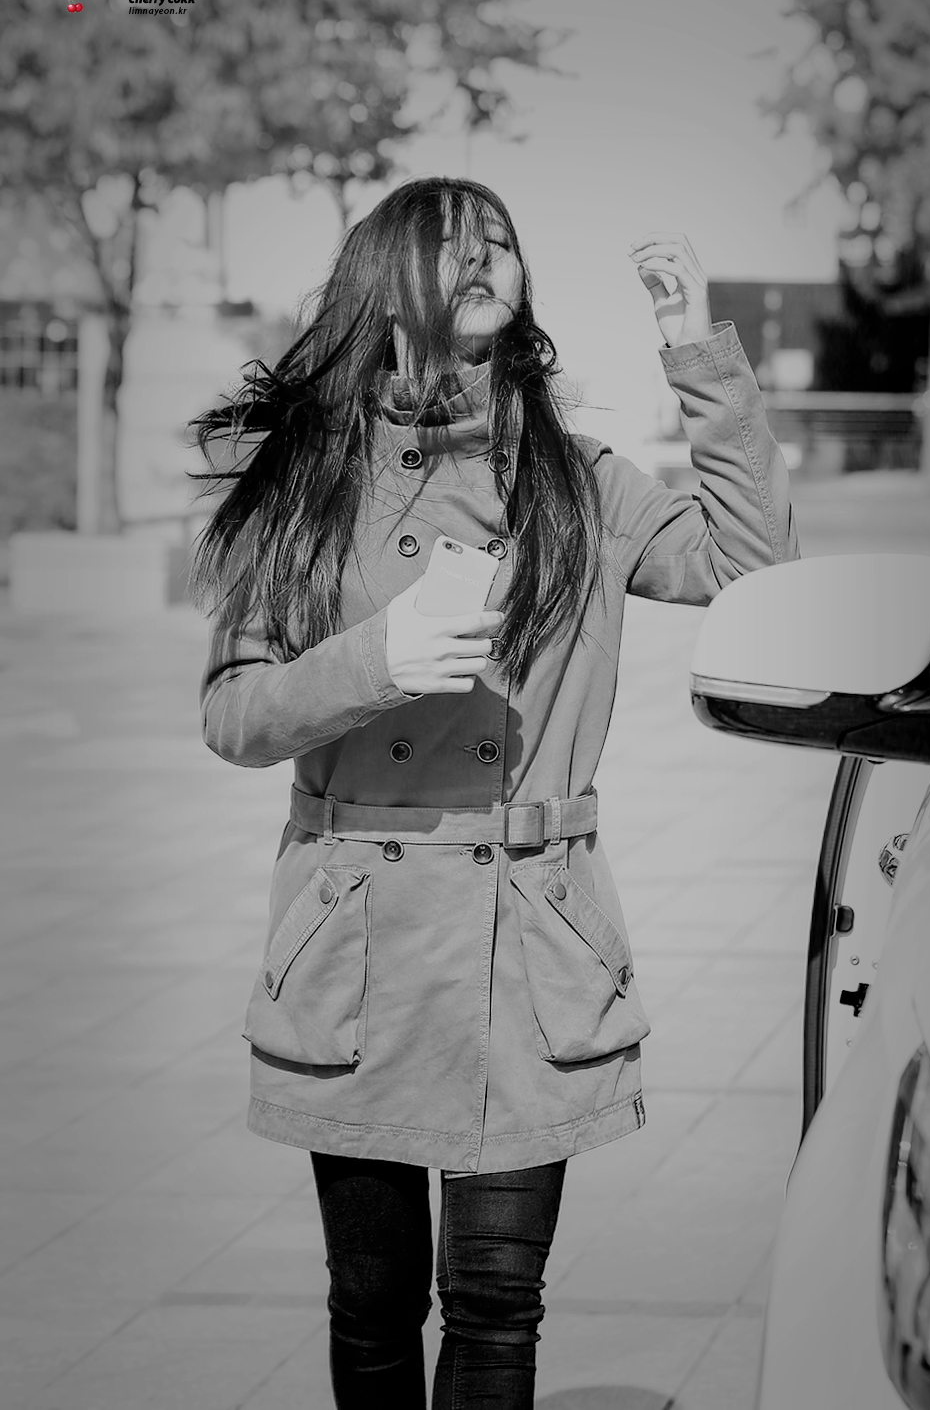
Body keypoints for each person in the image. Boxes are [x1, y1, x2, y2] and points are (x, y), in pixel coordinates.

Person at [188, 176, 798, 1409]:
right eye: (450, 244)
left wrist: (698, 354)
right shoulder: (305, 481)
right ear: (385, 283)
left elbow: (754, 564)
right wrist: (376, 663)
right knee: (371, 1306)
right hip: (359, 940)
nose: (482, 258)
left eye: (501, 243)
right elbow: (233, 715)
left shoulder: (579, 480)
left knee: (496, 1306)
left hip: (526, 933)